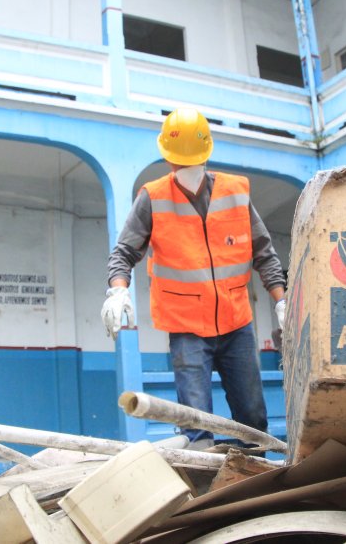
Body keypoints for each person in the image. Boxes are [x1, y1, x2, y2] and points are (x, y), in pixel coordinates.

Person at [103, 108, 287, 447]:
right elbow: (124, 252)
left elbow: (264, 251)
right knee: (195, 423)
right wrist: (118, 291)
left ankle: (257, 486)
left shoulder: (235, 193)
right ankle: (206, 487)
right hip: (187, 329)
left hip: (236, 326)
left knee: (253, 420)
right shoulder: (153, 197)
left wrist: (282, 303)